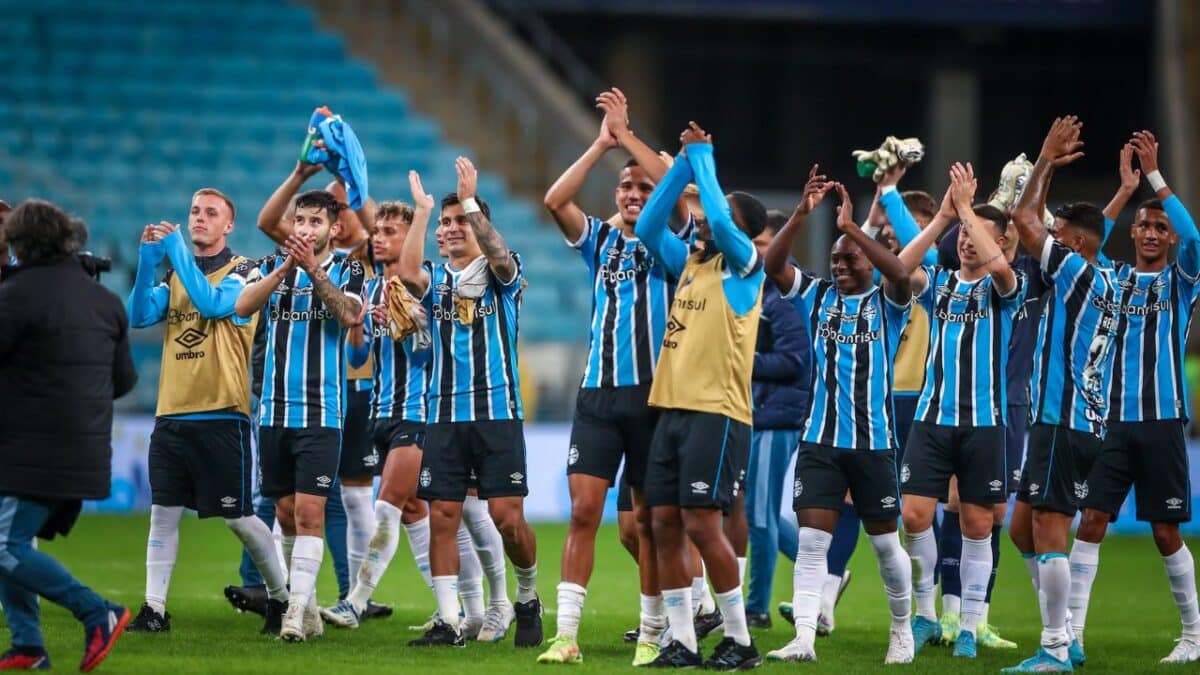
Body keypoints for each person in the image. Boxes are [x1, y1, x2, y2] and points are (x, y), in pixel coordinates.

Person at [537, 87, 679, 666]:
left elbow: (668, 179)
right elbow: (554, 199)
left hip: (654, 395)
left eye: (643, 188)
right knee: (584, 513)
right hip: (598, 395)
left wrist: (631, 140)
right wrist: (602, 144)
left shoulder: (677, 242)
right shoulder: (598, 241)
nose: (632, 194)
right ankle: (566, 634)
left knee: (646, 521)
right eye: (625, 187)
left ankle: (651, 634)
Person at [763, 170, 915, 665]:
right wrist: (804, 216)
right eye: (835, 261)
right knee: (811, 543)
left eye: (850, 260)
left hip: (874, 443)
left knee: (887, 545)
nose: (842, 266)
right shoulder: (817, 296)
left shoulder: (887, 303)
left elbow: (900, 273)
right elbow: (772, 263)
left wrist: (854, 231)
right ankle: (804, 637)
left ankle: (901, 630)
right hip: (820, 442)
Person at [124, 190, 288, 635]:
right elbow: (137, 315)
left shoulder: (247, 272)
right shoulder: (176, 276)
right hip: (172, 415)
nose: (199, 218)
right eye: (195, 211)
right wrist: (146, 261)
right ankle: (155, 609)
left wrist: (175, 251)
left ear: (228, 226)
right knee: (163, 512)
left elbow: (216, 306)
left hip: (223, 414)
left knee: (240, 519)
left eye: (210, 213)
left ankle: (282, 597)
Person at [633, 122, 765, 669]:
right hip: (673, 409)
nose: (710, 217)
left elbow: (717, 216)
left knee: (700, 524)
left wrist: (703, 157)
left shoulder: (745, 267)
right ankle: (683, 640)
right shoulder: (692, 263)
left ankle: (741, 640)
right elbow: (646, 226)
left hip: (719, 413)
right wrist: (684, 167)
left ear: (741, 229)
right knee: (660, 523)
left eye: (723, 214)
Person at [1068, 132, 1200, 664]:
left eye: (1159, 228)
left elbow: (1197, 239)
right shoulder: (1113, 280)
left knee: (1165, 530)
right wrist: (1126, 190)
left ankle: (1193, 635)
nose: (1150, 232)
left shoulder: (1180, 282)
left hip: (1164, 421)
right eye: (1143, 225)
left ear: (1168, 240)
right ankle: (1069, 635)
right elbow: (1084, 243)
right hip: (1114, 424)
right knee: (1092, 521)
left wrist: (1157, 181)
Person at [398, 161, 543, 648]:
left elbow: (499, 255)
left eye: (457, 221)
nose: (449, 229)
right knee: (442, 515)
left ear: (478, 224)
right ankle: (446, 619)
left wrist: (472, 202)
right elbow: (405, 271)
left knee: (507, 519)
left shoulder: (504, 272)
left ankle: (526, 596)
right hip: (443, 416)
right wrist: (421, 212)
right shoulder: (436, 281)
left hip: (497, 414)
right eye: (445, 223)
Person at [894, 164, 1026, 658]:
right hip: (932, 418)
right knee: (914, 515)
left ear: (998, 241)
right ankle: (926, 614)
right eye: (964, 236)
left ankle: (969, 624)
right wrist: (944, 217)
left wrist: (969, 212)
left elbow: (999, 268)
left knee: (976, 525)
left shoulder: (1004, 288)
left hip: (984, 423)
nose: (967, 242)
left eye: (978, 236)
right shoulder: (942, 284)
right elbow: (901, 269)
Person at [1003, 116, 1119, 673]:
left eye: (1058, 231)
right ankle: (1064, 633)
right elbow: (1039, 222)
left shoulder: (1074, 273)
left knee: (1048, 530)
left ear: (1073, 244)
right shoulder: (1104, 278)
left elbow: (1022, 218)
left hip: (1062, 417)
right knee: (1020, 528)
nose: (1046, 234)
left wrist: (1045, 158)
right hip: (1077, 420)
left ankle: (1054, 648)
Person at [0, 200, 137, 671]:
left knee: (3, 545)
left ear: (19, 245)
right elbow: (124, 382)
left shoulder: (15, 296)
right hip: (85, 448)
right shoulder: (105, 300)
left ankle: (96, 610)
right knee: (10, 540)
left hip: (31, 449)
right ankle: (28, 645)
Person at [234, 189, 366, 642]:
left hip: (321, 413)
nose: (307, 229)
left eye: (316, 222)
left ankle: (291, 611)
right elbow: (242, 306)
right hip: (272, 413)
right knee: (286, 515)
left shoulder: (348, 267)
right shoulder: (273, 265)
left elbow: (349, 313)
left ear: (334, 229)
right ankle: (306, 608)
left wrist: (311, 269)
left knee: (311, 513)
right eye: (301, 221)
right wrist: (288, 268)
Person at [744, 211, 810, 629]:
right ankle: (821, 571)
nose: (756, 252)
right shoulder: (764, 291)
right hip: (763, 412)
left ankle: (756, 608)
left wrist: (740, 361)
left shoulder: (784, 298)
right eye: (754, 243)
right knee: (757, 509)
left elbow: (796, 361)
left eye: (765, 244)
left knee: (760, 516)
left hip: (778, 415)